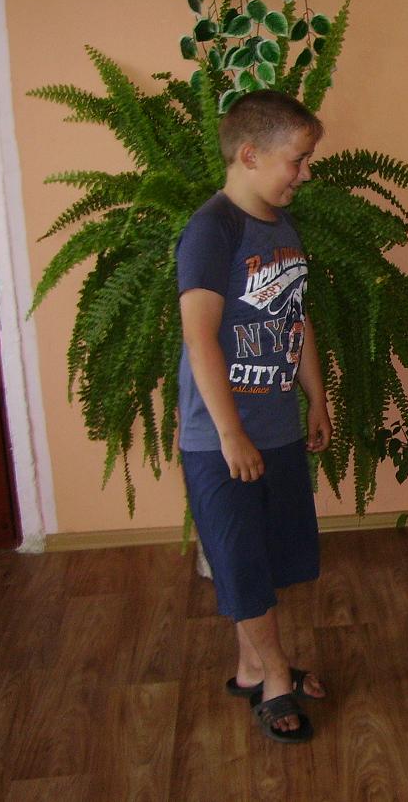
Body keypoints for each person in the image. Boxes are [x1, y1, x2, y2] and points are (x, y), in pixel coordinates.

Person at [176, 90, 330, 743]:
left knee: (265, 561)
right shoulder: (213, 229)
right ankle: (274, 681)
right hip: (221, 439)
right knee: (241, 565)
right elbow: (199, 337)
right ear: (249, 154)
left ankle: (251, 666)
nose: (304, 173)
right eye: (297, 160)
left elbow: (296, 316)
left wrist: (317, 396)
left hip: (277, 427)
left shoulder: (281, 226)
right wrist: (231, 432)